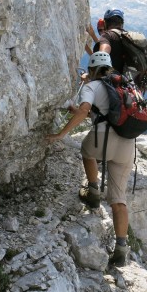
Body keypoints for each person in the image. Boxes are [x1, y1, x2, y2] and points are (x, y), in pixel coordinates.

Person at [46, 51, 135, 267]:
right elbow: (99, 111)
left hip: (102, 139)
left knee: (87, 151)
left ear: (92, 69)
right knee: (118, 199)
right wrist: (77, 110)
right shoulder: (124, 85)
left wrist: (61, 134)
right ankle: (121, 247)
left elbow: (87, 109)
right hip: (127, 143)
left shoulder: (91, 86)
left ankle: (93, 190)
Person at [97, 9, 127, 74]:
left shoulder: (107, 36)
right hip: (134, 82)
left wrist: (91, 75)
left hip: (112, 81)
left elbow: (102, 56)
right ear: (122, 23)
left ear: (105, 23)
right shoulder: (129, 37)